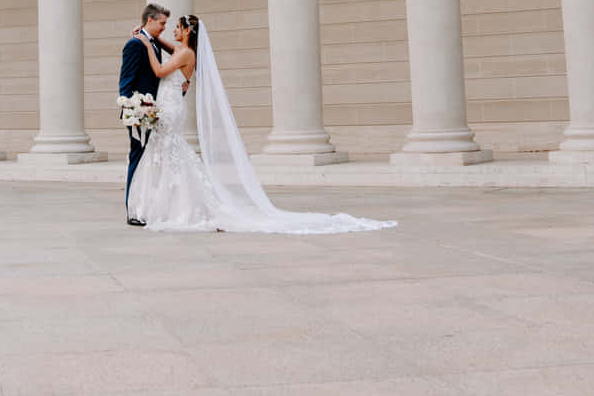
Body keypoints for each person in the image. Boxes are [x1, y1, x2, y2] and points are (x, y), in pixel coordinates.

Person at [127, 14, 394, 235]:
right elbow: (167, 50)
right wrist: (152, 38)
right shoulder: (184, 50)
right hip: (170, 105)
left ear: (186, 31)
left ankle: (174, 207)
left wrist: (144, 42)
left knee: (169, 150)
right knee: (169, 152)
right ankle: (166, 205)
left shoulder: (185, 52)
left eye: (176, 26)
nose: (172, 29)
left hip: (172, 108)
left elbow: (161, 71)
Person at [119, 2, 169, 226]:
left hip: (152, 110)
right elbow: (126, 80)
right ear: (150, 20)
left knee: (147, 160)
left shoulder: (152, 43)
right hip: (139, 111)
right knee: (137, 157)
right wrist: (130, 110)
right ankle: (132, 209)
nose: (164, 27)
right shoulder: (134, 44)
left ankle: (145, 205)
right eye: (162, 23)